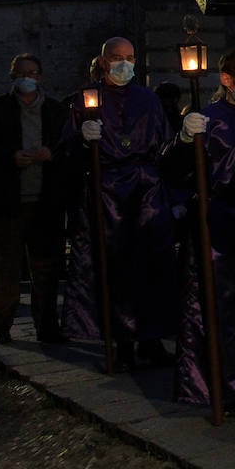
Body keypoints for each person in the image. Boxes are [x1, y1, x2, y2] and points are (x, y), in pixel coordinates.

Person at [165, 46, 235, 409]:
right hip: (220, 225)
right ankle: (225, 386)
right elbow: (175, 169)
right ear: (228, 80)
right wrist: (184, 141)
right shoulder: (209, 117)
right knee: (222, 307)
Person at [62, 36, 179, 372]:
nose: (124, 64)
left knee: (152, 267)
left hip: (146, 193)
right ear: (103, 61)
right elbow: (66, 150)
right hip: (108, 194)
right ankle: (122, 343)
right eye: (116, 57)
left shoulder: (148, 99)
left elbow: (165, 145)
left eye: (129, 57)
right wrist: (83, 140)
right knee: (115, 269)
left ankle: (151, 339)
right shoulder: (86, 99)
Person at [0, 53, 70, 344]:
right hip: (7, 202)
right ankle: (1, 324)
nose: (28, 77)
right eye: (23, 73)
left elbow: (69, 149)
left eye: (33, 72)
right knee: (5, 269)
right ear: (13, 76)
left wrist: (51, 155)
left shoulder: (55, 111)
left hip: (45, 203)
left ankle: (47, 326)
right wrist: (9, 157)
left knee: (46, 269)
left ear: (41, 76)